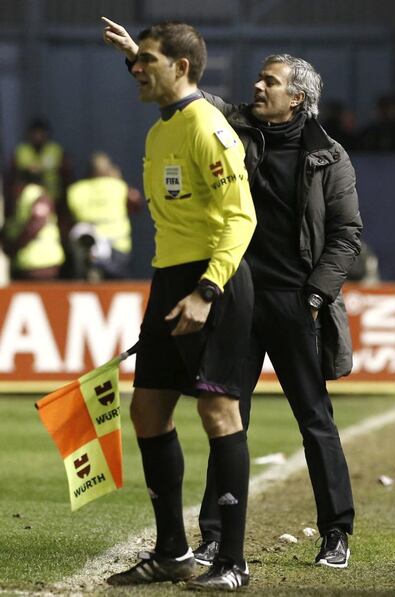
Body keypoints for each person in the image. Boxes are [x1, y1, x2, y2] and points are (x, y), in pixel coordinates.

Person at [102, 17, 257, 591]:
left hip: (213, 282)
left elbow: (241, 217)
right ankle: (172, 553)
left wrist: (207, 290)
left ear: (182, 67)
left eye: (147, 60)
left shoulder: (206, 127)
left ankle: (232, 562)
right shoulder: (159, 129)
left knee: (217, 412)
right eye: (135, 61)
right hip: (170, 280)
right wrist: (135, 53)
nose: (137, 70)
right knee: (147, 412)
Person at [66, 152, 142, 280]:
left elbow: (71, 216)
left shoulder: (76, 190)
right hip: (118, 246)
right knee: (118, 286)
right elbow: (136, 206)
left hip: (89, 248)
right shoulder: (119, 186)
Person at [3, 118, 72, 226]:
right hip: (26, 200)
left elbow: (66, 175)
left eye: (41, 133)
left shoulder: (55, 150)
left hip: (53, 197)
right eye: (35, 133)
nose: (38, 136)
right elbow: (12, 176)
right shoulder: (21, 151)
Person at [0, 172, 65, 279]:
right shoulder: (23, 199)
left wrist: (14, 247)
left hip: (40, 261)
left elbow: (35, 225)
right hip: (33, 261)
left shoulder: (35, 196)